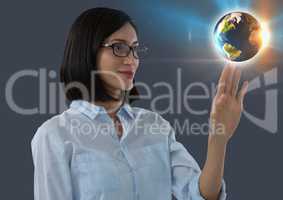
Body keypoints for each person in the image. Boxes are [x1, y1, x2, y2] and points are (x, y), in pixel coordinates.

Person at [31, 7, 249, 200]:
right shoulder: (54, 135)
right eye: (119, 47)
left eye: (135, 49)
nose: (131, 59)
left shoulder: (155, 126)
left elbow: (199, 195)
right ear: (87, 51)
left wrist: (218, 138)